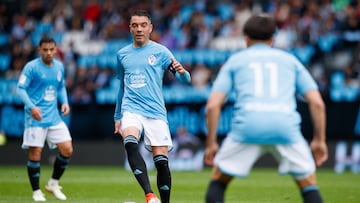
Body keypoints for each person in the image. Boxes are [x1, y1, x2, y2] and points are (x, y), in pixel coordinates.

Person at [204, 14, 328, 203]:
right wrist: (319, 140)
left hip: (247, 127)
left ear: (245, 37)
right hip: (285, 127)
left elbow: (213, 105)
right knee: (308, 183)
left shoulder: (235, 61)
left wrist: (211, 143)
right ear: (273, 38)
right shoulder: (290, 60)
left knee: (218, 180)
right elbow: (317, 102)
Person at [113, 9, 191, 203]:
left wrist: (182, 72)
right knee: (130, 142)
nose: (139, 29)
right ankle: (149, 195)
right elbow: (121, 87)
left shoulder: (161, 52)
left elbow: (186, 80)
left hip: (155, 112)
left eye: (143, 25)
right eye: (135, 25)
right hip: (131, 109)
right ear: (130, 28)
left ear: (150, 28)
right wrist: (117, 116)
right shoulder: (122, 55)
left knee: (161, 162)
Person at [16, 36, 73, 202]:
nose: (49, 53)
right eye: (45, 50)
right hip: (36, 117)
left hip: (54, 117)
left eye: (51, 50)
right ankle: (36, 192)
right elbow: (20, 89)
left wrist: (65, 103)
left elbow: (61, 86)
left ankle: (53, 183)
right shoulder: (31, 67)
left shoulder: (59, 66)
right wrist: (31, 107)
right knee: (35, 154)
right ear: (39, 50)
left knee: (67, 149)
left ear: (56, 50)